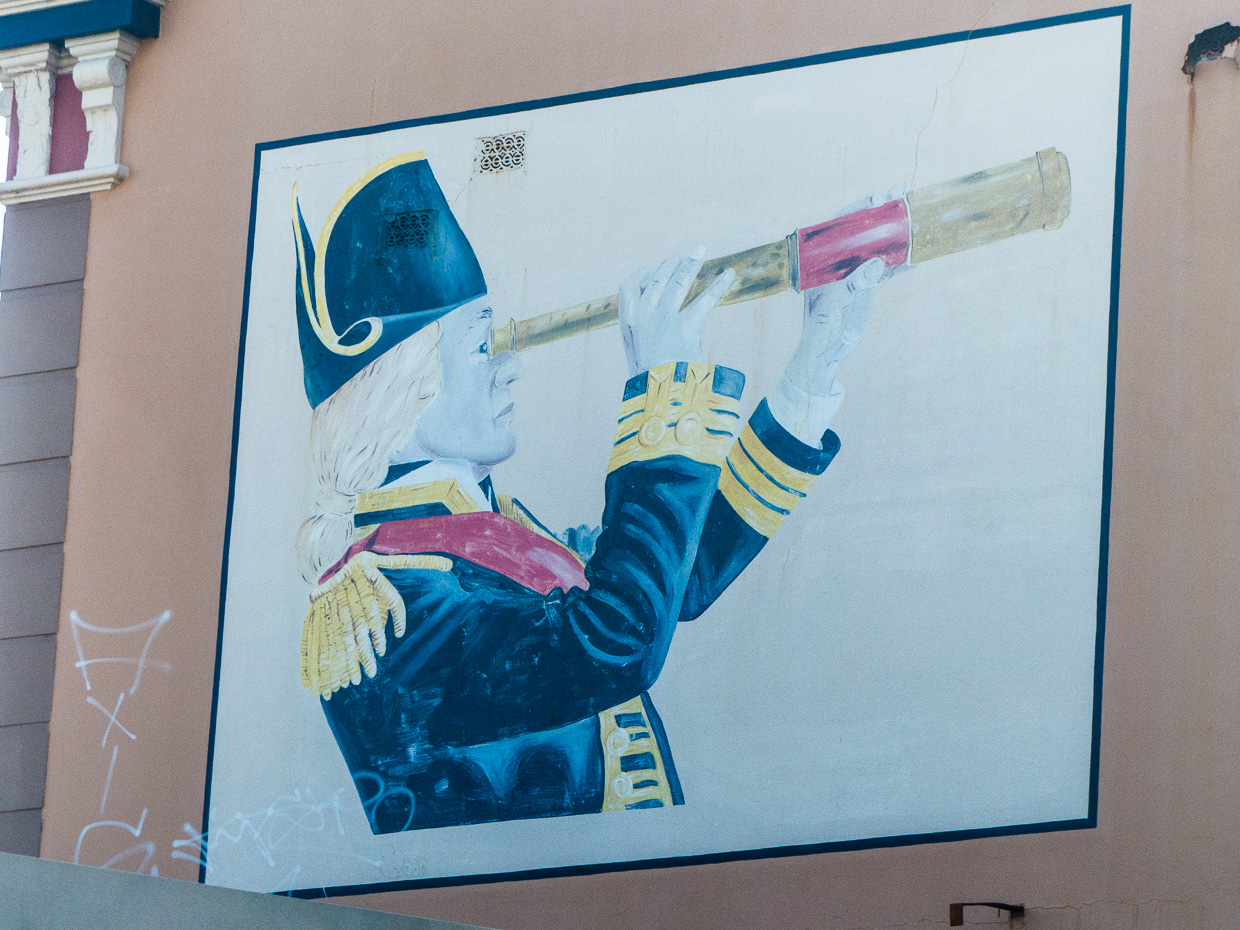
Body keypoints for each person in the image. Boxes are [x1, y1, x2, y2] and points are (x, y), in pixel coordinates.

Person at [291, 152, 886, 833]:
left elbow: (675, 576)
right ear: (401, 390)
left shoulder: (488, 539)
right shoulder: (386, 609)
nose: (508, 369)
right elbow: (618, 637)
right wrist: (663, 394)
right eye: (482, 345)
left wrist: (813, 372)